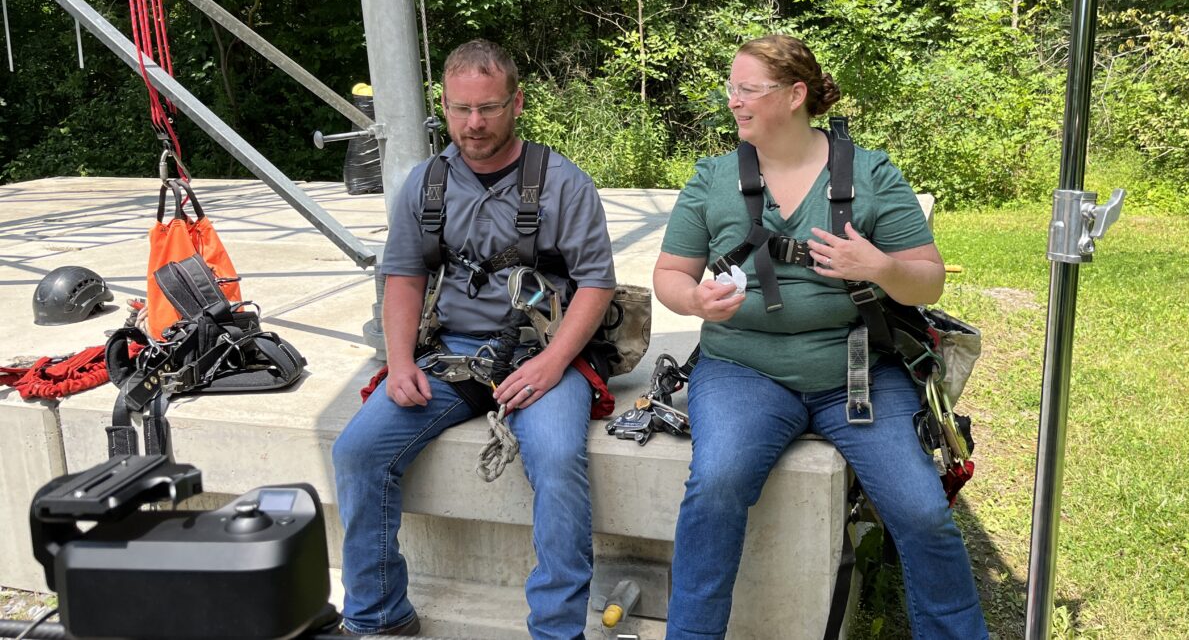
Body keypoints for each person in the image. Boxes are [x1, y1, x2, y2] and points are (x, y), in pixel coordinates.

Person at [653, 35, 988, 639]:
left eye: (747, 89)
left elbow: (929, 282)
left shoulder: (870, 173)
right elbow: (669, 276)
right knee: (716, 485)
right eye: (731, 88)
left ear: (795, 95)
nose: (733, 101)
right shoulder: (713, 178)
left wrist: (880, 268)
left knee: (920, 511)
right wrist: (695, 299)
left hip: (856, 372)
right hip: (742, 369)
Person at [333, 39, 617, 638]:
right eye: (461, 109)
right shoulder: (426, 184)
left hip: (543, 353)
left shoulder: (563, 183)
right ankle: (376, 616)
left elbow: (596, 285)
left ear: (517, 103)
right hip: (450, 353)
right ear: (444, 103)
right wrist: (402, 360)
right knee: (358, 450)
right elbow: (403, 276)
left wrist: (552, 365)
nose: (475, 123)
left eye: (489, 107)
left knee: (559, 460)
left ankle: (557, 630)